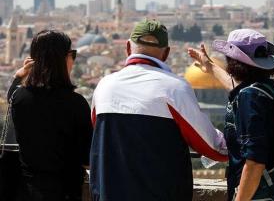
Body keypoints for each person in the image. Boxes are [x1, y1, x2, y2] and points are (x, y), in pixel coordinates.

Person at [90, 19, 228, 201]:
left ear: (127, 47)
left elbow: (98, 133)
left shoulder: (104, 86)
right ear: (166, 53)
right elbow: (213, 148)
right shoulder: (174, 88)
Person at [188, 28, 274, 201]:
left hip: (259, 195)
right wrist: (210, 67)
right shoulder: (271, 90)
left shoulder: (250, 98)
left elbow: (254, 162)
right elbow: (237, 90)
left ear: (234, 62)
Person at [7, 30, 93, 201]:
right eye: (72, 54)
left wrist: (19, 75)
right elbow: (87, 155)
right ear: (62, 60)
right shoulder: (76, 103)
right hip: (65, 191)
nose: (73, 60)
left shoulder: (20, 98)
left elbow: (11, 95)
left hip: (28, 190)